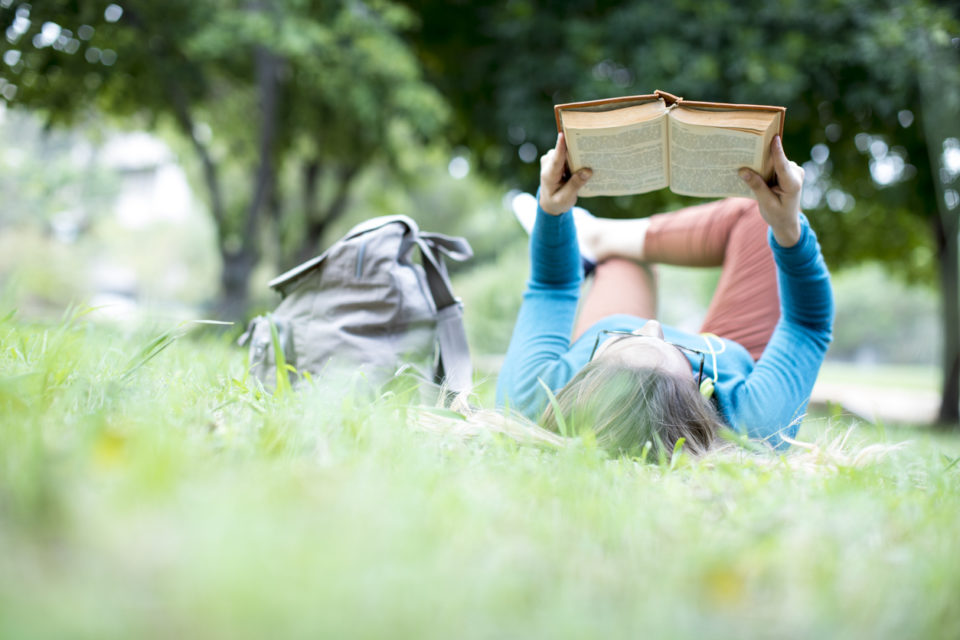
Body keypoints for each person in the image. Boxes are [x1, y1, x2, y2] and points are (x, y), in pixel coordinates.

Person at [495, 133, 834, 456]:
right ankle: (597, 235)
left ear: (585, 379)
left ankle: (593, 239)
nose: (653, 324)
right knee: (761, 215)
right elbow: (808, 324)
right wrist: (789, 229)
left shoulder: (530, 399)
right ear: (701, 395)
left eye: (622, 341)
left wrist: (552, 212)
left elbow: (551, 288)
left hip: (615, 334)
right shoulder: (754, 425)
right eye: (682, 353)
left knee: (622, 259)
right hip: (733, 353)